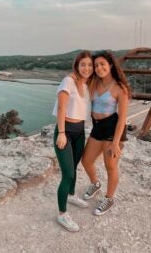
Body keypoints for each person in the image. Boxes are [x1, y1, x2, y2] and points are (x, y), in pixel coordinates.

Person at [82, 50, 131, 216]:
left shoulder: (120, 88)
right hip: (97, 128)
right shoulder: (94, 83)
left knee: (110, 165)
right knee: (86, 161)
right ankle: (95, 183)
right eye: (96, 65)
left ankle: (109, 198)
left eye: (102, 64)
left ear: (110, 65)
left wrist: (116, 142)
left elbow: (122, 118)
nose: (98, 68)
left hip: (112, 128)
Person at [52, 50, 94, 232]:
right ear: (77, 66)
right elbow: (62, 107)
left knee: (74, 167)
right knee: (67, 174)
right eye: (83, 64)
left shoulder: (89, 84)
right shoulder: (68, 81)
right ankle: (62, 214)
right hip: (65, 131)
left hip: (80, 131)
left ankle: (71, 195)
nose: (86, 68)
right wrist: (61, 132)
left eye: (89, 65)